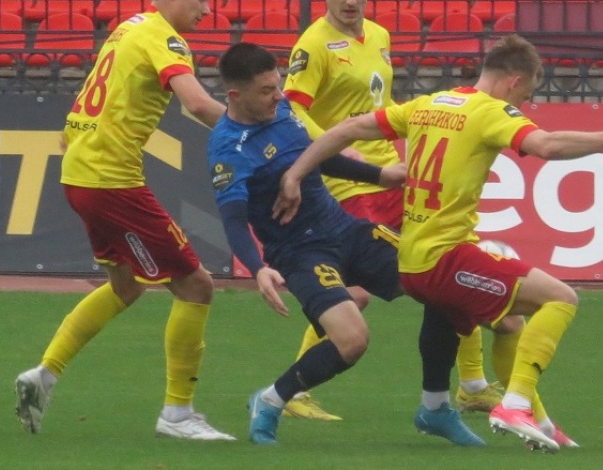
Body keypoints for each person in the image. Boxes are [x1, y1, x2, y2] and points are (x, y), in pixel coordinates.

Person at [275, 34, 603, 451]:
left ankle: (538, 423)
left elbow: (349, 128)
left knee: (509, 322)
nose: (524, 104)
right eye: (527, 94)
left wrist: (296, 172)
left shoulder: (429, 104)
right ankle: (513, 405)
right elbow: (546, 145)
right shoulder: (489, 111)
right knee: (560, 299)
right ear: (514, 81)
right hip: (444, 258)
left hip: (411, 257)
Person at [207, 42, 484, 447]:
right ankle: (271, 400)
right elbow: (232, 219)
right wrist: (258, 268)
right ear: (235, 95)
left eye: (278, 85)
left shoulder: (282, 110)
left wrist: (380, 175)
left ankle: (436, 408)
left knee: (440, 286)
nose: (279, 95)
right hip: (300, 253)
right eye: (266, 90)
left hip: (344, 228)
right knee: (352, 340)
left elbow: (318, 157)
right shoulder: (227, 149)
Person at [14, 0, 235, 440]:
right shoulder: (165, 37)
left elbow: (88, 101)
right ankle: (178, 414)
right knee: (196, 285)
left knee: (127, 285)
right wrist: (258, 131)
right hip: (111, 180)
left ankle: (44, 374)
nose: (207, 10)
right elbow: (197, 103)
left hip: (80, 173)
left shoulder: (127, 28)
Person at [279, 0, 506, 420]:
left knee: (454, 259)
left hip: (393, 176)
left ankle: (472, 385)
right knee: (357, 293)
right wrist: (338, 149)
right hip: (350, 185)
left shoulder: (379, 35)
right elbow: (293, 110)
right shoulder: (313, 45)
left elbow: (379, 106)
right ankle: (296, 389)